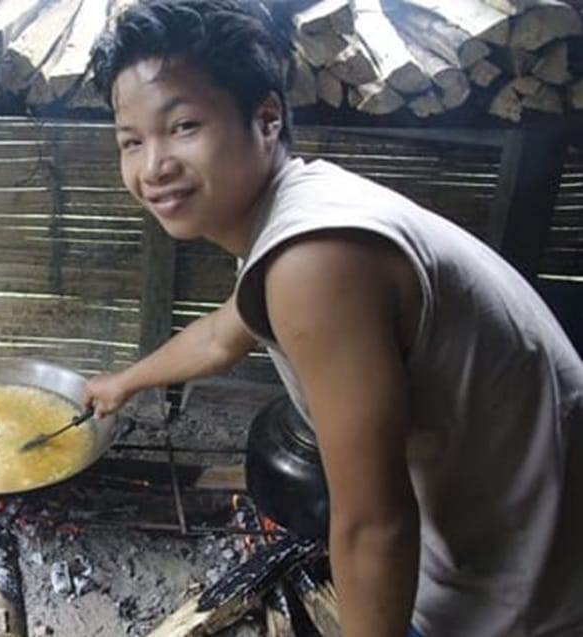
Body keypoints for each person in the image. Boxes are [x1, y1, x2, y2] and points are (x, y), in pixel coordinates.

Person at [80, 1, 583, 636]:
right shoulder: (295, 215)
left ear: (266, 118)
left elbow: (373, 523)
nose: (152, 166)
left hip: (534, 579)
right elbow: (218, 335)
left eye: (182, 125)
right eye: (131, 140)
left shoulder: (314, 264)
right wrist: (125, 382)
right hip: (511, 525)